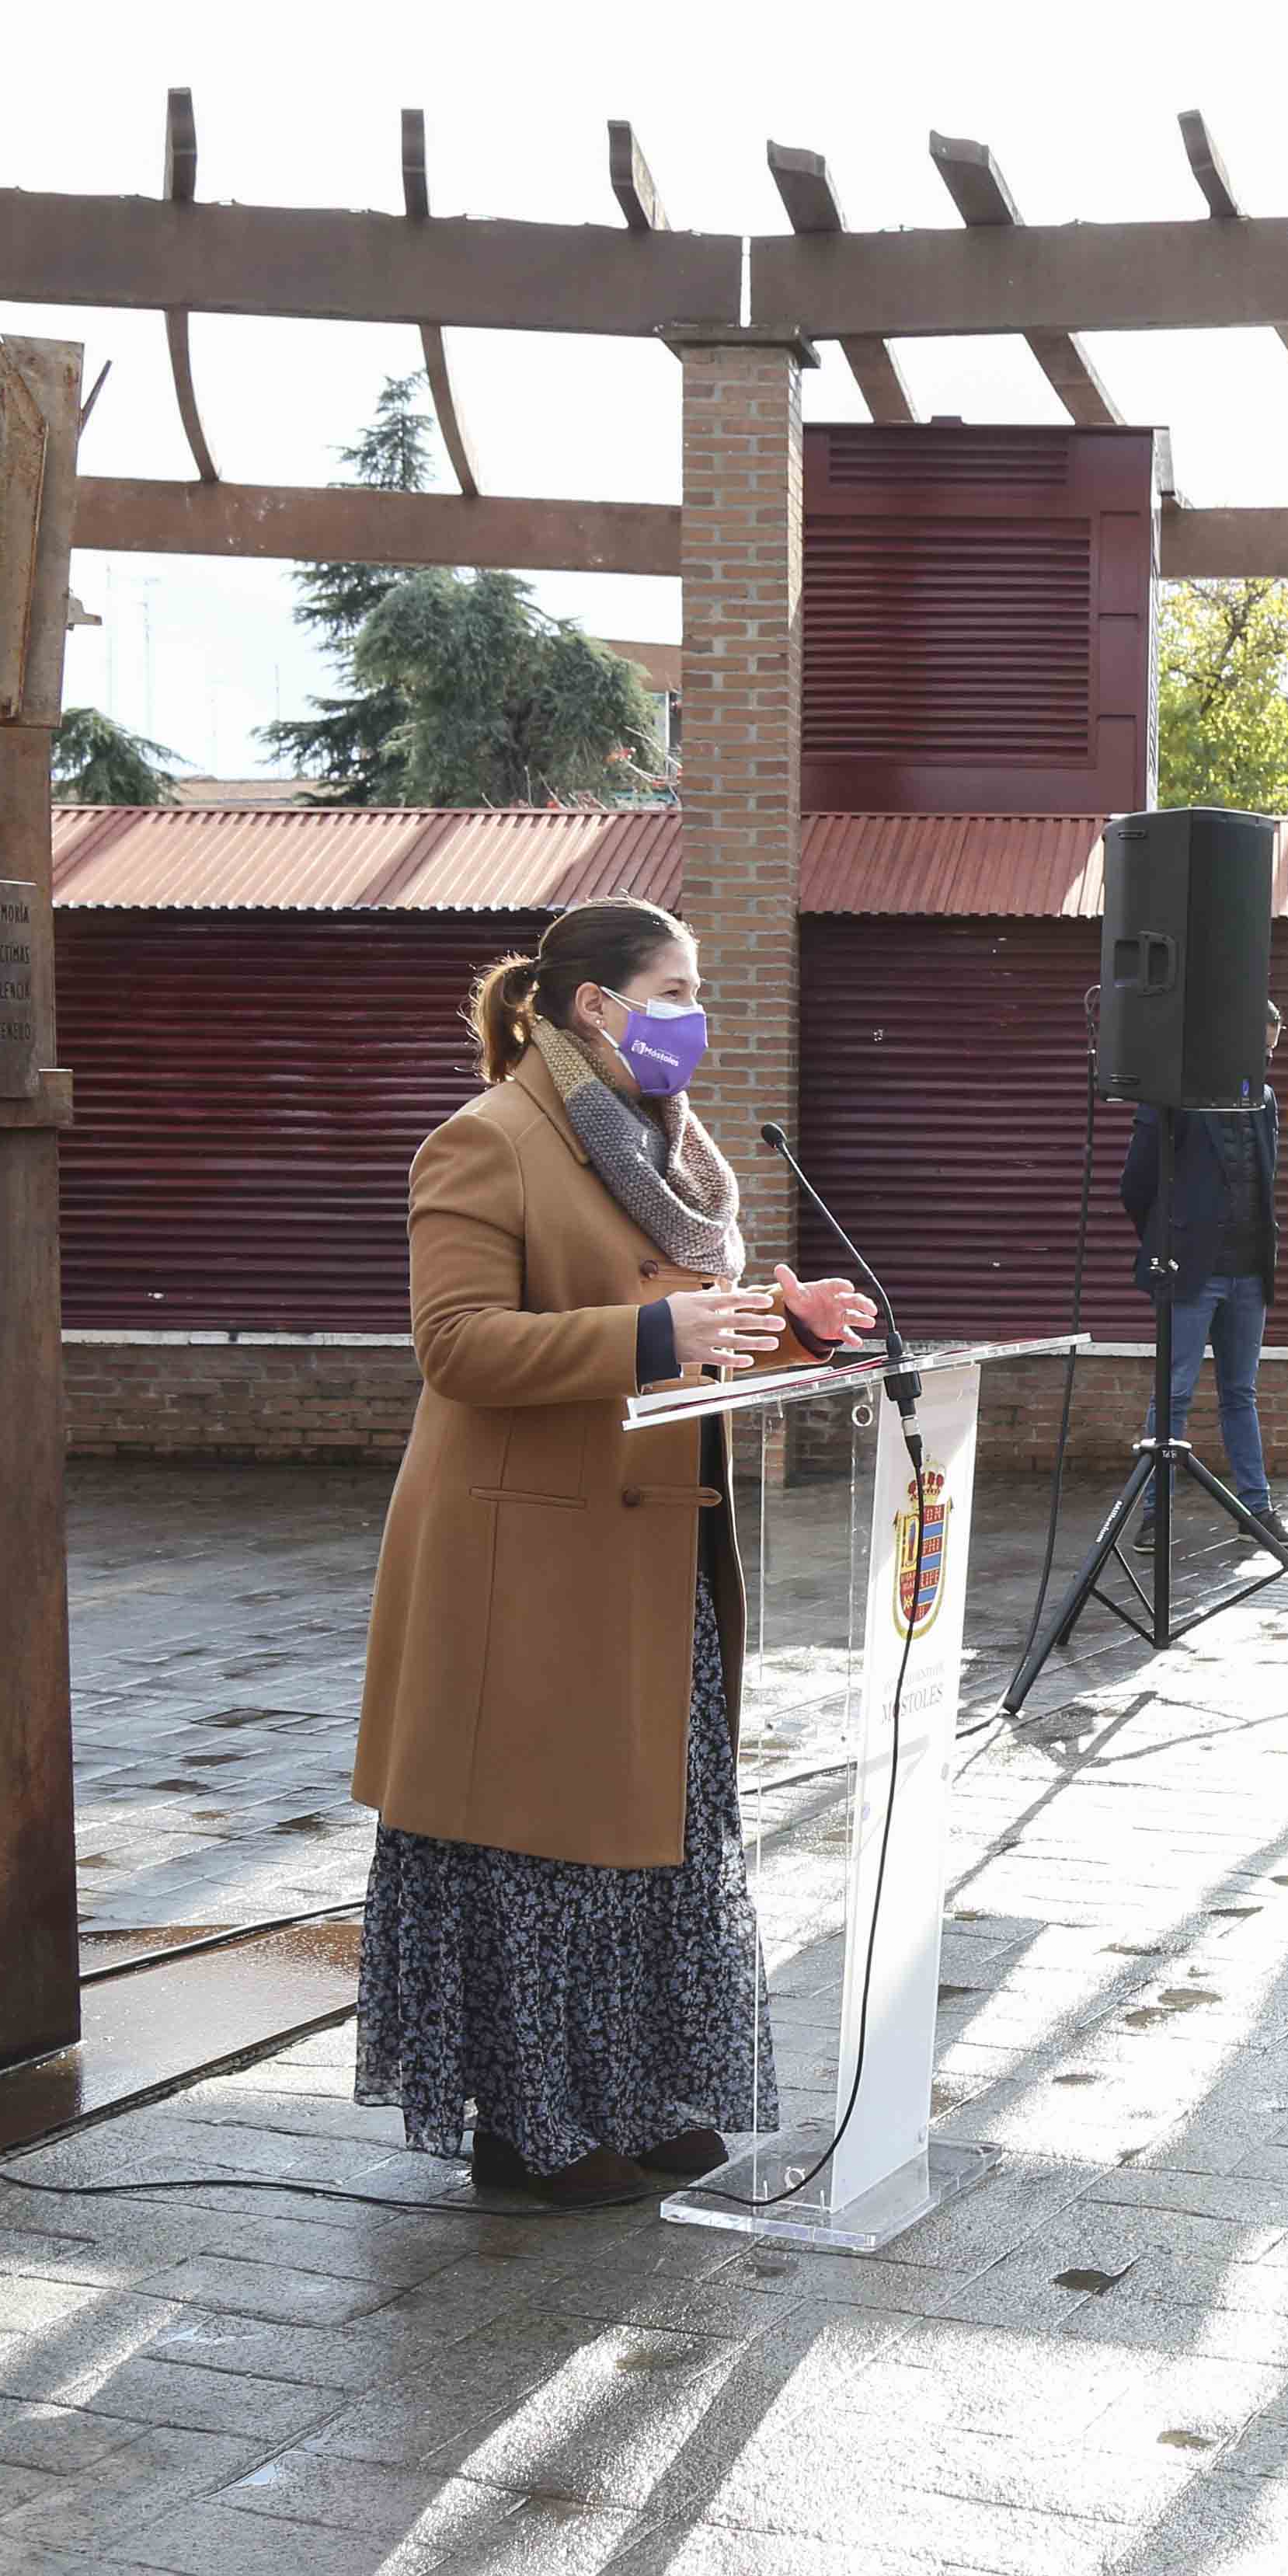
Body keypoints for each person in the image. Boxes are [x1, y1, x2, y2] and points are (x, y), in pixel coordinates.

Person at [352, 898, 881, 2209]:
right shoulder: (486, 1140)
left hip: (656, 1550)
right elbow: (456, 1344)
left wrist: (788, 1326)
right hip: (525, 1560)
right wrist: (657, 1336)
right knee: (544, 1855)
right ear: (596, 1006)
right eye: (676, 991)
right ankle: (529, 2127)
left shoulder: (665, 1146)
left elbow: (681, 1322)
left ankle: (644, 2096)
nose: (698, 1018)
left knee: (659, 1834)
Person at [1119, 999, 1288, 1530]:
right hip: (1190, 1270)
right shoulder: (1174, 1093)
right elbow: (1136, 1183)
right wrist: (1169, 1239)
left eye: (1271, 1048)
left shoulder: (1264, 1099)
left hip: (1250, 1272)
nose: (1265, 1057)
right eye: (1259, 1046)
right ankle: (1155, 1515)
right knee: (1174, 1394)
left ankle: (1256, 1512)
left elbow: (1264, 1180)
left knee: (1241, 1393)